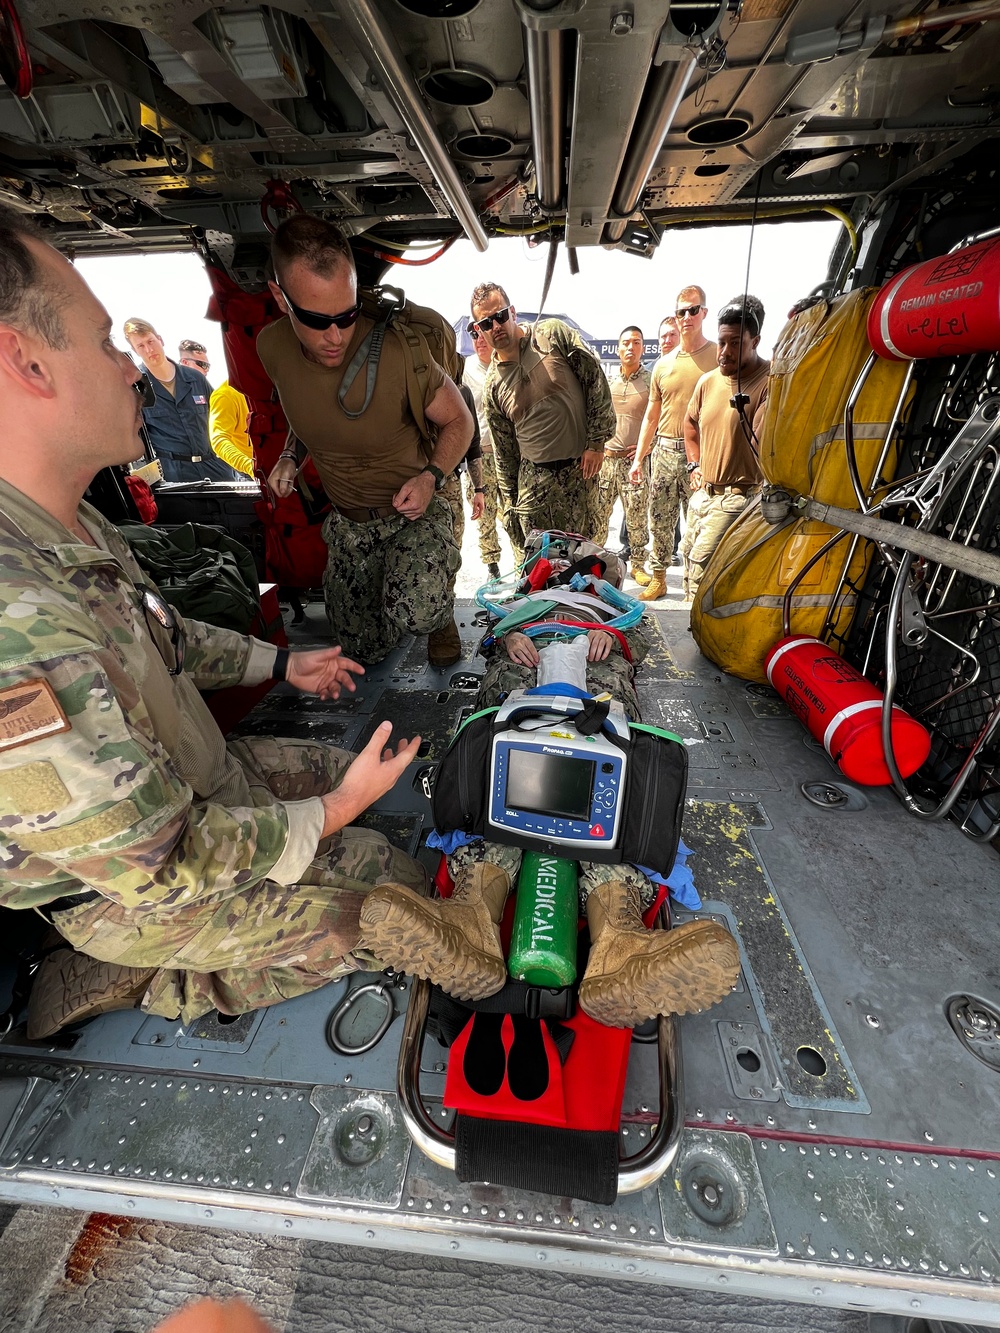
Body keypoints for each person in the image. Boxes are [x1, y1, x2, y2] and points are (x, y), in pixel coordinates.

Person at [0, 204, 429, 1035]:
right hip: (130, 888)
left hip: (188, 776)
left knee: (355, 778)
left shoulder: (68, 525)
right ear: (27, 364)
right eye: (102, 343)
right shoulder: (21, 626)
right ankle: (140, 974)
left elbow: (162, 635)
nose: (130, 367)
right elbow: (162, 866)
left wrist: (279, 666)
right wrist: (328, 818)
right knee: (384, 903)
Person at [359, 556, 741, 1028]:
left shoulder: (606, 600)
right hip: (526, 657)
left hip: (599, 661)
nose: (564, 564)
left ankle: (614, 947)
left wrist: (612, 636)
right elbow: (490, 634)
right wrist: (509, 637)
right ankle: (480, 924)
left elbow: (640, 633)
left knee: (610, 758)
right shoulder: (524, 598)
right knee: (498, 756)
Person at [259, 215, 472, 668]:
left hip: (413, 512)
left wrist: (432, 477)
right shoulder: (272, 348)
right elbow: (307, 408)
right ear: (281, 298)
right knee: (365, 649)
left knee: (417, 608)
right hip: (350, 524)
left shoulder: (400, 351)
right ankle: (396, 593)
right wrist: (288, 456)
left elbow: (460, 421)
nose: (335, 337)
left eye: (347, 315)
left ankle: (436, 612)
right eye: (317, 320)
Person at [471, 282, 615, 558]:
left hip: (579, 473)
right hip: (534, 484)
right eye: (486, 323)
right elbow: (505, 453)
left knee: (583, 562)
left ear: (512, 312)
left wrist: (596, 443)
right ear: (479, 329)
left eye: (500, 316)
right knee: (538, 569)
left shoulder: (551, 335)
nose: (496, 326)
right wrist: (511, 505)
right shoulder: (493, 386)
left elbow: (594, 379)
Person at [629, 287, 718, 602]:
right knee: (660, 518)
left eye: (693, 310)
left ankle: (694, 586)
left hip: (703, 452)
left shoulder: (719, 357)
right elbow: (651, 417)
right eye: (681, 311)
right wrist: (639, 459)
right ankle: (659, 579)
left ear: (704, 312)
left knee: (699, 521)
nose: (687, 318)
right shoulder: (663, 365)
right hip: (664, 451)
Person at [682, 296, 769, 606]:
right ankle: (693, 632)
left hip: (738, 498)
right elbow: (689, 424)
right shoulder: (708, 381)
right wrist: (694, 466)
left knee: (706, 573)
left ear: (755, 341)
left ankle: (699, 642)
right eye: (721, 342)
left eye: (735, 343)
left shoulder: (768, 381)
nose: (725, 351)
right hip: (703, 494)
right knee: (689, 561)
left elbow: (764, 445)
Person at [123, 318, 238, 483]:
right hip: (175, 478)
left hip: (217, 469)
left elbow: (224, 420)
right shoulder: (136, 390)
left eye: (151, 341)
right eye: (140, 346)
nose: (149, 349)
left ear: (160, 339)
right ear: (134, 350)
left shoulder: (196, 378)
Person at [594, 326, 651, 582]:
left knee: (637, 517)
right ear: (618, 349)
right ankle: (593, 562)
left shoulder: (651, 381)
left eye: (636, 343)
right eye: (626, 343)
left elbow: (660, 418)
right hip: (607, 460)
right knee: (598, 517)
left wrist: (645, 447)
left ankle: (638, 565)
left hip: (633, 463)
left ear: (643, 348)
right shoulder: (608, 383)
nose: (631, 348)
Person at [463, 324, 504, 579]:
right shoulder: (466, 370)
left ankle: (525, 564)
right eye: (474, 335)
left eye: (482, 334)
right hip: (481, 454)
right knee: (485, 515)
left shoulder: (506, 365)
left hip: (509, 456)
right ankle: (493, 567)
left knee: (514, 513)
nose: (479, 340)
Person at [209, 379, 255, 479]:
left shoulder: (272, 388)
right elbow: (219, 440)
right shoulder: (225, 394)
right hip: (250, 473)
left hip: (283, 464)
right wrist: (249, 466)